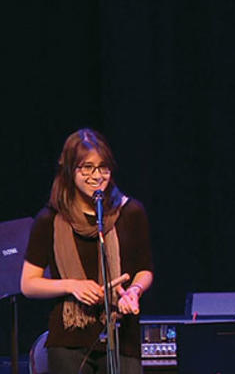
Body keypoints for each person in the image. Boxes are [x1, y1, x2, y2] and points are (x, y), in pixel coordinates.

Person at [20, 128, 153, 374]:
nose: (97, 176)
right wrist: (73, 286)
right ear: (70, 170)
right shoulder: (50, 219)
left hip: (121, 335)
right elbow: (28, 284)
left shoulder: (131, 212)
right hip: (70, 341)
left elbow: (144, 269)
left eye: (103, 167)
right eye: (86, 167)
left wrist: (134, 291)